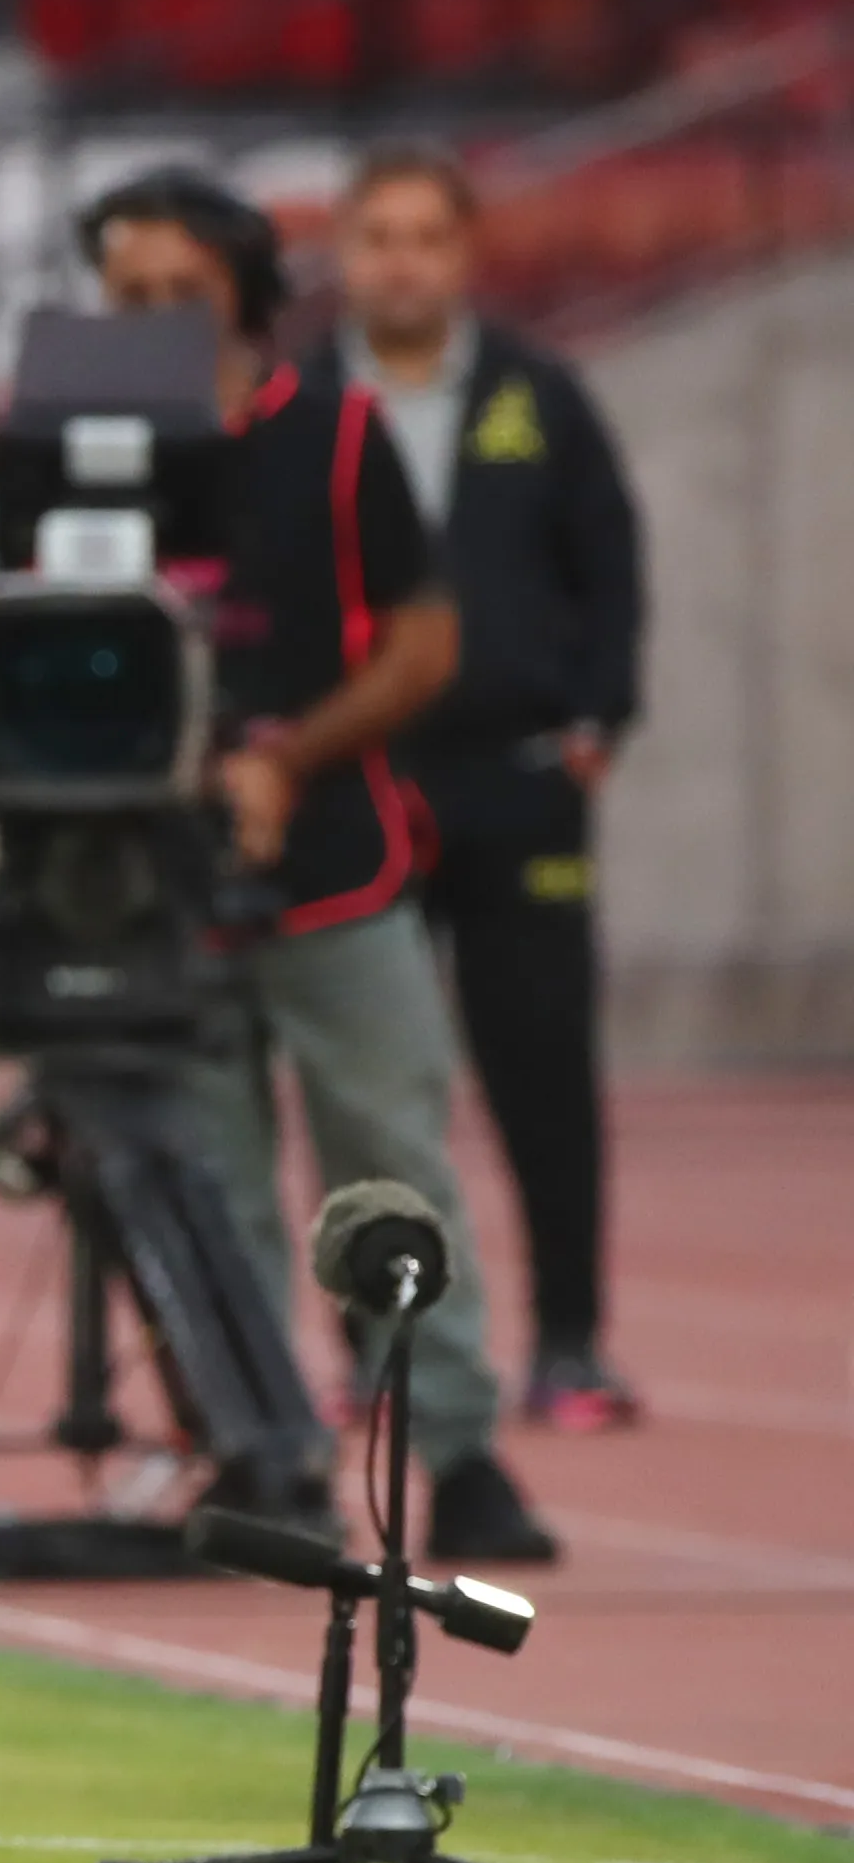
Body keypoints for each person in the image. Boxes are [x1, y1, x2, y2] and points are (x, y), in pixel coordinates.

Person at [81, 167, 557, 1565]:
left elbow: (423, 643)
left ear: (243, 289)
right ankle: (261, 1450)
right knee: (203, 1184)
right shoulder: (86, 445)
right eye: (128, 294)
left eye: (181, 288)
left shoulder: (338, 435)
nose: (156, 315)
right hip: (155, 880)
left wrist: (286, 761)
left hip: (339, 865)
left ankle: (456, 1450)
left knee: (390, 1160)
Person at [316, 144, 647, 1431]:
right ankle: (381, 1348)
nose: (401, 262)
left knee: (543, 1074)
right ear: (343, 256)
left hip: (515, 785)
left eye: (424, 237)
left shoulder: (536, 395)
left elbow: (607, 562)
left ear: (461, 255)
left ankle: (567, 1342)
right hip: (357, 788)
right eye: (378, 237)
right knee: (366, 1093)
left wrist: (596, 719)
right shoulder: (303, 406)